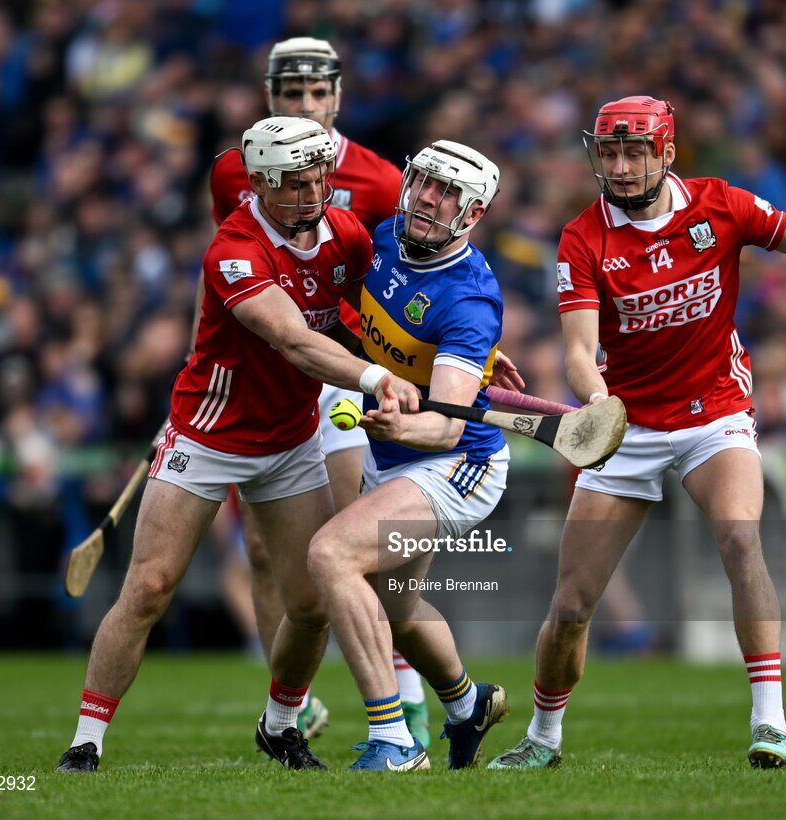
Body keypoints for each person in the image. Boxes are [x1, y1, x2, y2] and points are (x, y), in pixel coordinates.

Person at [487, 96, 786, 770]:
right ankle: (543, 739)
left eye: (634, 152)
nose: (618, 165)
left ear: (667, 154)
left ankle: (771, 723)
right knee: (574, 606)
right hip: (626, 424)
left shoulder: (721, 205)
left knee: (740, 535)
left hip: (714, 411)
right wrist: (599, 404)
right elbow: (580, 354)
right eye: (609, 152)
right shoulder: (584, 237)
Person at [56, 116, 419, 772]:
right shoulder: (235, 247)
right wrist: (377, 377)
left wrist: (468, 360)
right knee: (149, 588)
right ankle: (87, 739)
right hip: (208, 433)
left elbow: (391, 315)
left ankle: (281, 725)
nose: (312, 195)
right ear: (257, 184)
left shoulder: (349, 236)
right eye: (295, 183)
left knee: (309, 603)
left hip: (291, 439)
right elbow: (293, 339)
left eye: (319, 180)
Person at [204, 37, 434, 744]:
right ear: (271, 98)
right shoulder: (231, 174)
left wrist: (462, 353)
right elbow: (232, 280)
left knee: (359, 534)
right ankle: (293, 700)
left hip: (356, 374)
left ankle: (409, 690)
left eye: (316, 94)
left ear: (337, 94)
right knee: (267, 553)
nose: (305, 106)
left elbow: (419, 282)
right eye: (290, 94)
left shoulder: (377, 179)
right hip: (270, 378)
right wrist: (201, 368)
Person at [307, 140, 510, 771]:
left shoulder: (469, 300)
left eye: (447, 191)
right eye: (422, 181)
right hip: (391, 447)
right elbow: (358, 324)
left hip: (457, 463)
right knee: (393, 607)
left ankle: (394, 742)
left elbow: (446, 430)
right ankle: (467, 702)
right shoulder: (388, 235)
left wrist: (399, 416)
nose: (427, 196)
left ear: (472, 214)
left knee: (332, 554)